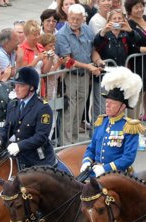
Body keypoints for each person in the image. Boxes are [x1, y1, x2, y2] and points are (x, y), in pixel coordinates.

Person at [0, 66, 66, 173]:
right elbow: (6, 127)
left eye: (21, 85)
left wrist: (20, 146)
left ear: (31, 88)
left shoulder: (42, 108)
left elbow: (41, 137)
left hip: (37, 159)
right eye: (15, 84)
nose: (16, 88)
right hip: (17, 157)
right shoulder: (13, 104)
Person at [80, 68, 143, 179]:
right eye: (107, 102)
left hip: (118, 175)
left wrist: (106, 168)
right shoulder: (101, 121)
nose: (107, 105)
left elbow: (128, 158)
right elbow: (91, 148)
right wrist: (86, 161)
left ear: (122, 106)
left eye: (112, 103)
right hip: (96, 172)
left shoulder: (130, 126)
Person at [55, 4, 102, 146]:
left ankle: (73, 143)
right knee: (69, 111)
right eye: (72, 18)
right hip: (70, 76)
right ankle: (66, 145)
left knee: (79, 110)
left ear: (83, 18)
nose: (74, 21)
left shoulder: (87, 30)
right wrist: (88, 66)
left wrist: (98, 60)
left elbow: (93, 49)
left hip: (84, 76)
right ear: (67, 17)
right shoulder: (62, 35)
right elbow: (68, 61)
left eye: (77, 19)